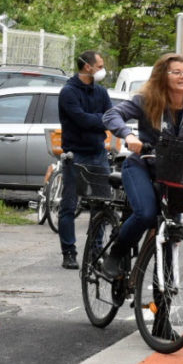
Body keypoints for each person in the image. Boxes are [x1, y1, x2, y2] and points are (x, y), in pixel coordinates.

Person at [101, 53, 183, 278]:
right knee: (146, 214)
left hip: (176, 171)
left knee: (171, 231)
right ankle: (116, 253)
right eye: (177, 72)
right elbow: (112, 115)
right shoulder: (147, 98)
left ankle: (163, 299)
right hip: (143, 165)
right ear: (163, 75)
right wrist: (128, 135)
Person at [57, 50, 113, 269]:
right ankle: (69, 252)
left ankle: (96, 253)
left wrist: (98, 120)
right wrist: (100, 120)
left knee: (101, 205)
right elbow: (81, 120)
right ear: (87, 67)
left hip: (98, 153)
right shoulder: (68, 92)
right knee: (69, 206)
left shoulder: (101, 92)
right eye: (99, 66)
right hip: (75, 154)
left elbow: (110, 117)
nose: (102, 70)